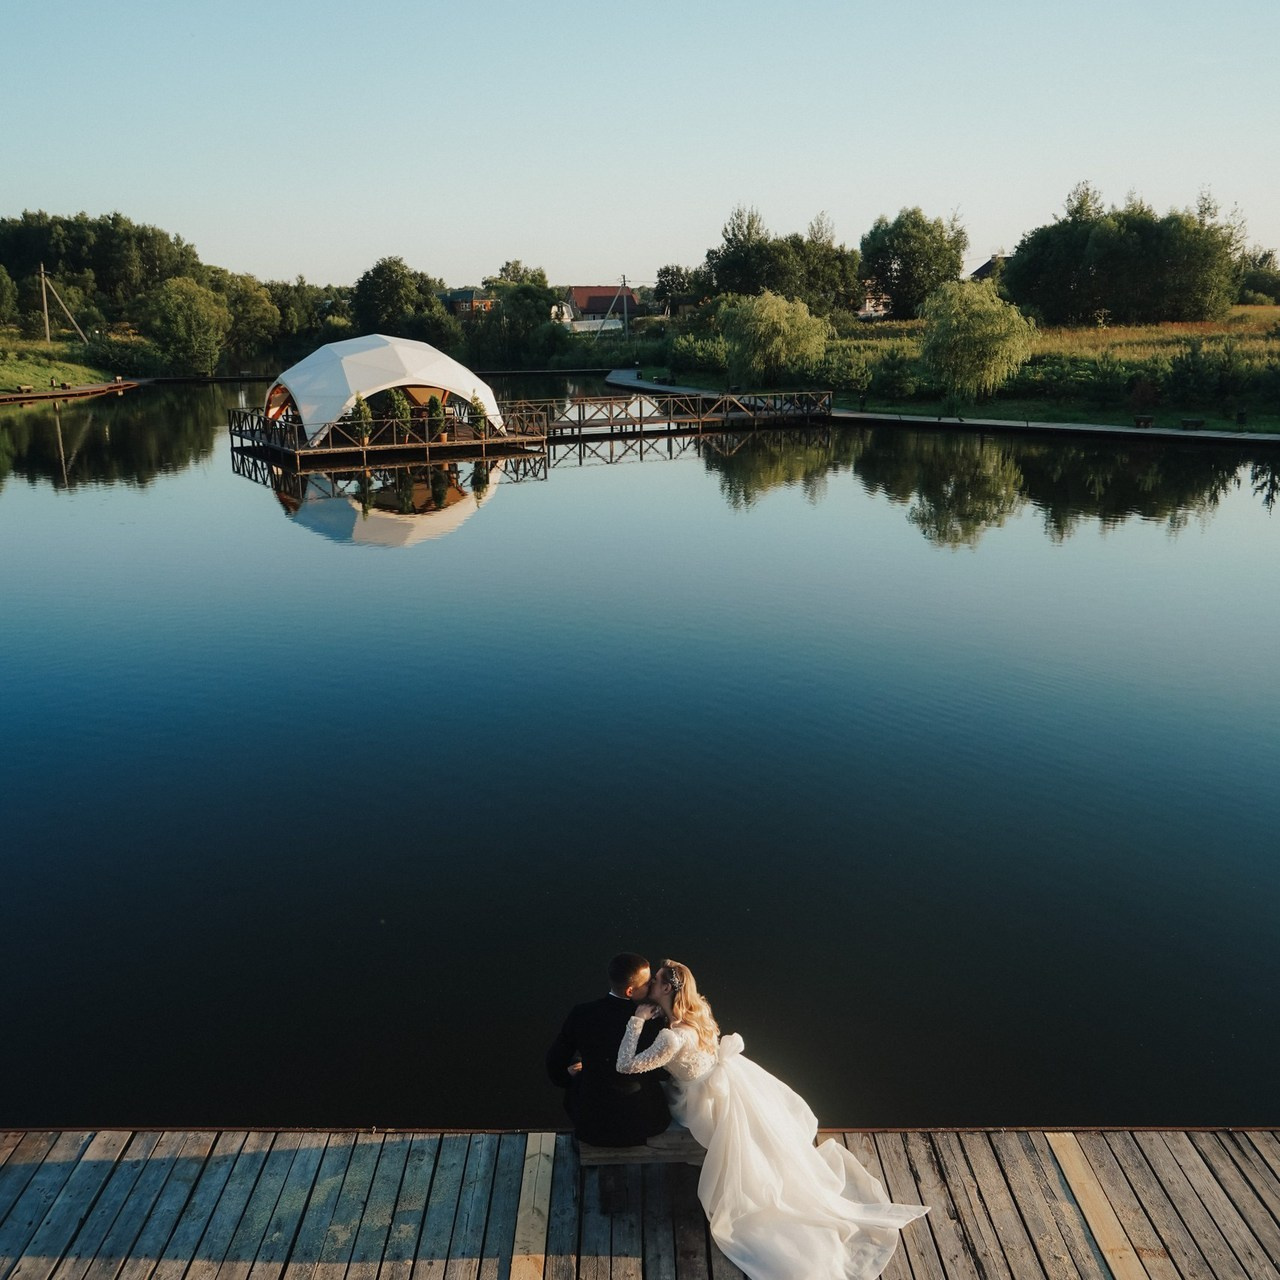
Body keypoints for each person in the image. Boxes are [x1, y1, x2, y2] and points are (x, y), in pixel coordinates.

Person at [617, 959, 928, 1280]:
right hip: (725, 1085)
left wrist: (637, 1020)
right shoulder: (700, 1013)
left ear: (666, 988)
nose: (649, 984)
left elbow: (625, 1065)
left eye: (654, 980)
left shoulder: (672, 1038)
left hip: (699, 1104)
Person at [546, 951, 671, 1147]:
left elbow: (554, 1063)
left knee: (580, 1082)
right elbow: (663, 1073)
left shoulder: (581, 1014)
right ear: (630, 991)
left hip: (593, 1123)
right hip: (641, 1121)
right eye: (647, 983)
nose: (652, 984)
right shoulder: (651, 1020)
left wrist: (567, 1075)